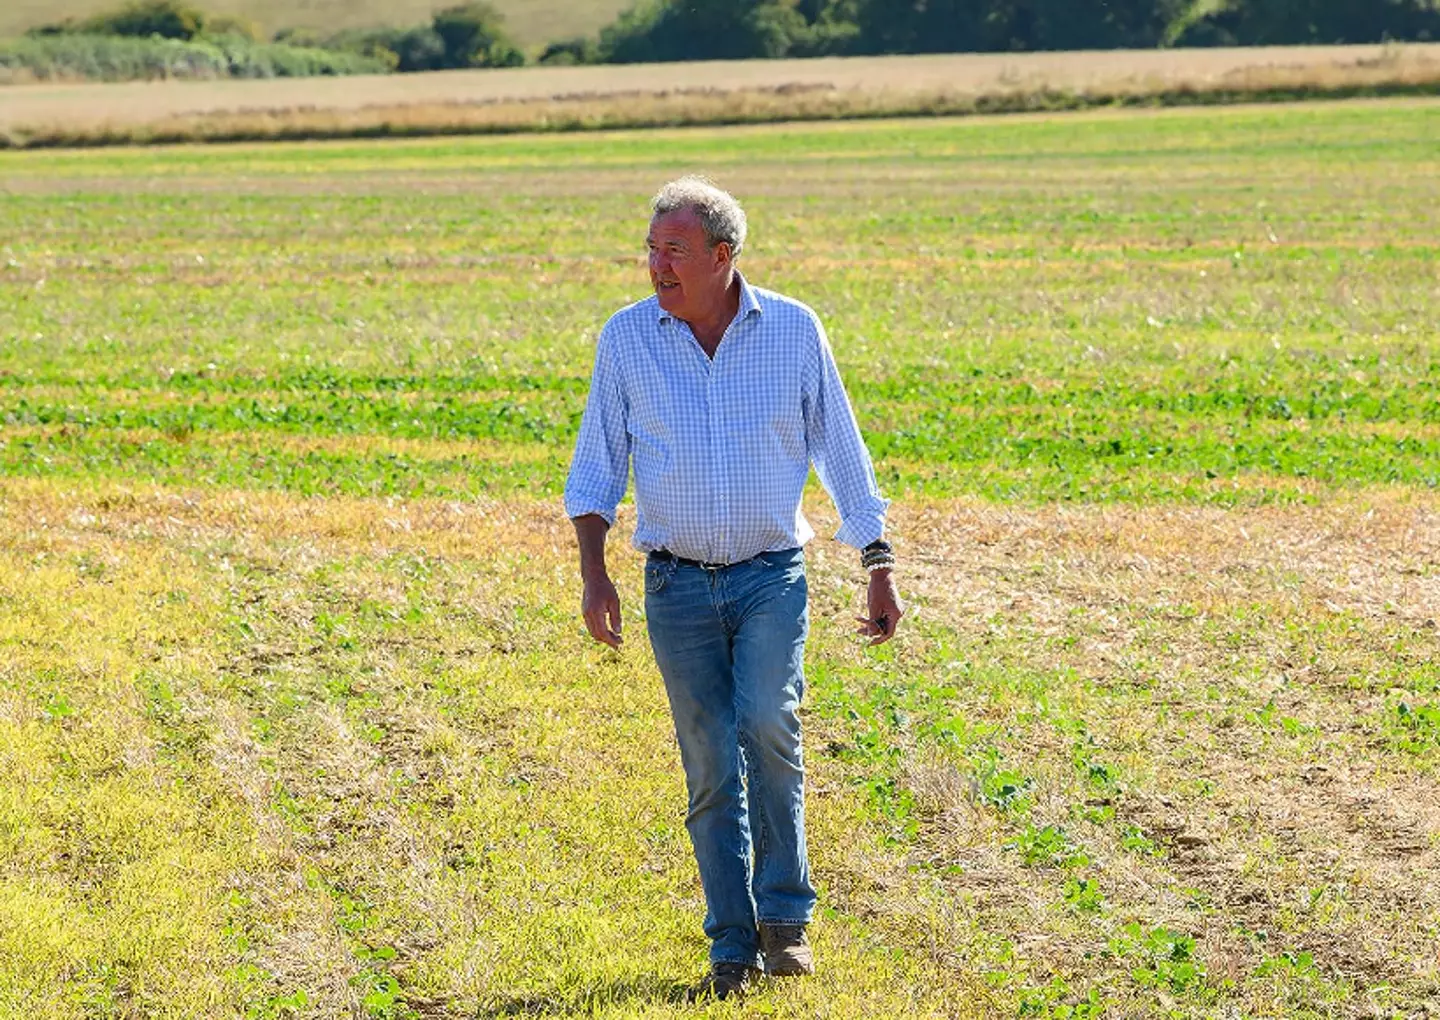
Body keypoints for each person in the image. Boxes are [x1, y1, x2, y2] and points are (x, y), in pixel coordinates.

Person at [564, 177, 903, 1001]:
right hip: (674, 584)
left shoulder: (792, 330)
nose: (654, 266)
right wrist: (593, 572)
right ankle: (731, 941)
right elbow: (597, 464)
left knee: (768, 725)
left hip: (768, 577)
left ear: (723, 257)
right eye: (649, 250)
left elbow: (843, 450)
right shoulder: (626, 340)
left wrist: (878, 558)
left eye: (672, 251)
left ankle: (786, 916)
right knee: (711, 761)